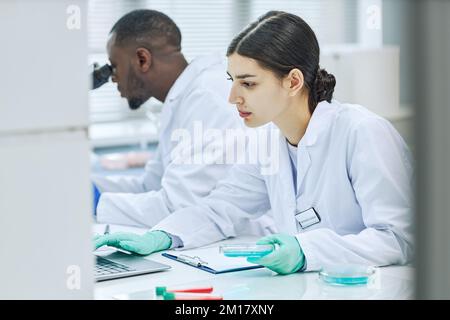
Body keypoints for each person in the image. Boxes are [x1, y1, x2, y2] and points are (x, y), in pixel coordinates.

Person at [95, 11, 414, 275]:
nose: (233, 97)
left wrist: (306, 251)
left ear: (293, 81)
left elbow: (400, 238)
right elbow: (220, 210)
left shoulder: (362, 132)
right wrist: (162, 236)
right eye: (232, 82)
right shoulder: (268, 141)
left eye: (248, 83)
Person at [92, 9, 276, 235]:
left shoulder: (208, 98)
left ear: (142, 59)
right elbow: (151, 185)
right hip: (205, 240)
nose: (112, 78)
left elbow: (179, 207)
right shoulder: (182, 99)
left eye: (114, 66)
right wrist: (90, 187)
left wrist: (96, 202)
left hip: (246, 245)